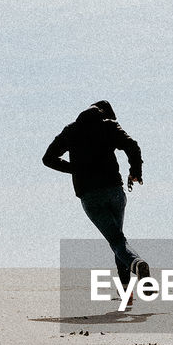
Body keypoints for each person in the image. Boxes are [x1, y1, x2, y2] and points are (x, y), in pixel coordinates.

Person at [43, 100, 150, 305]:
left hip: (90, 194)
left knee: (117, 241)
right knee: (119, 240)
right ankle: (127, 292)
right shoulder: (109, 126)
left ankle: (136, 266)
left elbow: (48, 158)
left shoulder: (71, 130)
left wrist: (75, 169)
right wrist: (135, 171)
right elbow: (132, 146)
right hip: (114, 191)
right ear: (105, 114)